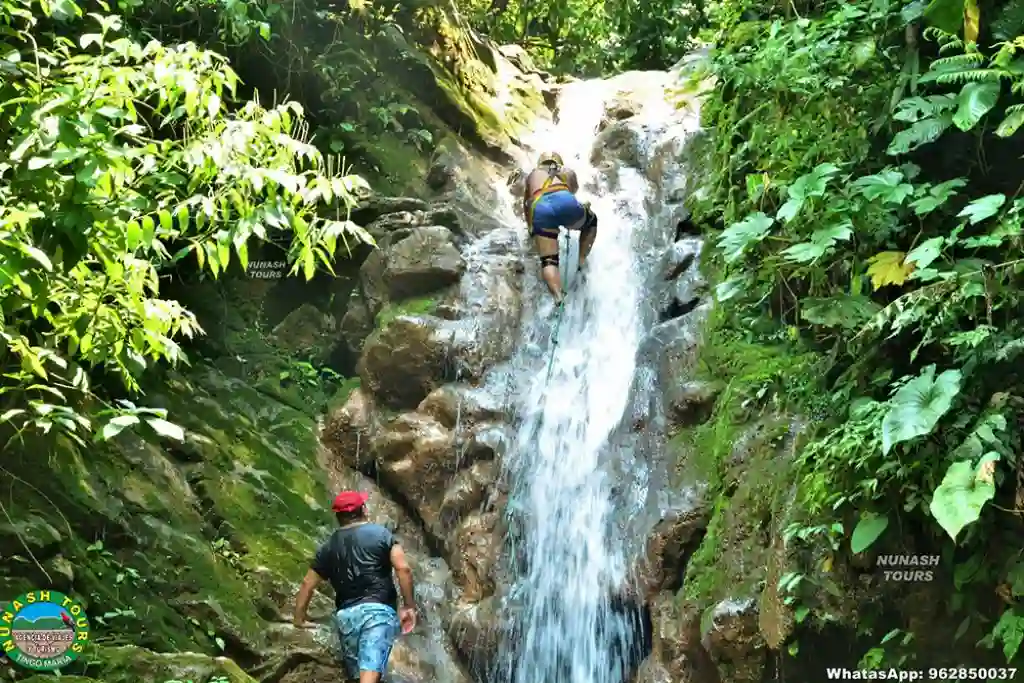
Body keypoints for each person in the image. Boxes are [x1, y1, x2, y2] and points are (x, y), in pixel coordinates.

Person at [292, 490, 417, 683]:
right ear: (364, 510)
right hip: (378, 613)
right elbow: (403, 569)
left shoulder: (328, 547)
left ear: (338, 516)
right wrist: (408, 606)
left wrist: (299, 618)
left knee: (359, 675)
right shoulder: (381, 535)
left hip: (347, 617)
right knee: (369, 673)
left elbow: (307, 583)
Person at [521, 151, 598, 304]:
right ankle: (581, 262)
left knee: (549, 261)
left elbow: (527, 204)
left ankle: (558, 295)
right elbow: (572, 192)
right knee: (591, 222)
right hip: (565, 201)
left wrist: (531, 227)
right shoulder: (565, 171)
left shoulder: (532, 175)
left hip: (541, 208)